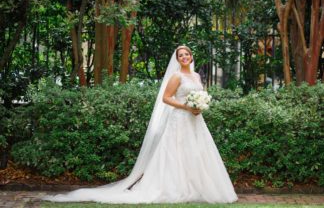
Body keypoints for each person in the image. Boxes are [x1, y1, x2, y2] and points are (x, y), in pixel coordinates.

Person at [43, 45, 238, 203]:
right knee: (176, 153)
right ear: (177, 59)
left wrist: (199, 106)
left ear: (191, 56)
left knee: (196, 153)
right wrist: (187, 107)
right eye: (181, 55)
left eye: (187, 54)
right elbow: (166, 98)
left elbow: (199, 95)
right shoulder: (176, 76)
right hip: (179, 119)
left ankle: (196, 187)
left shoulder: (196, 76)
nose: (184, 57)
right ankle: (174, 188)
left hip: (195, 120)